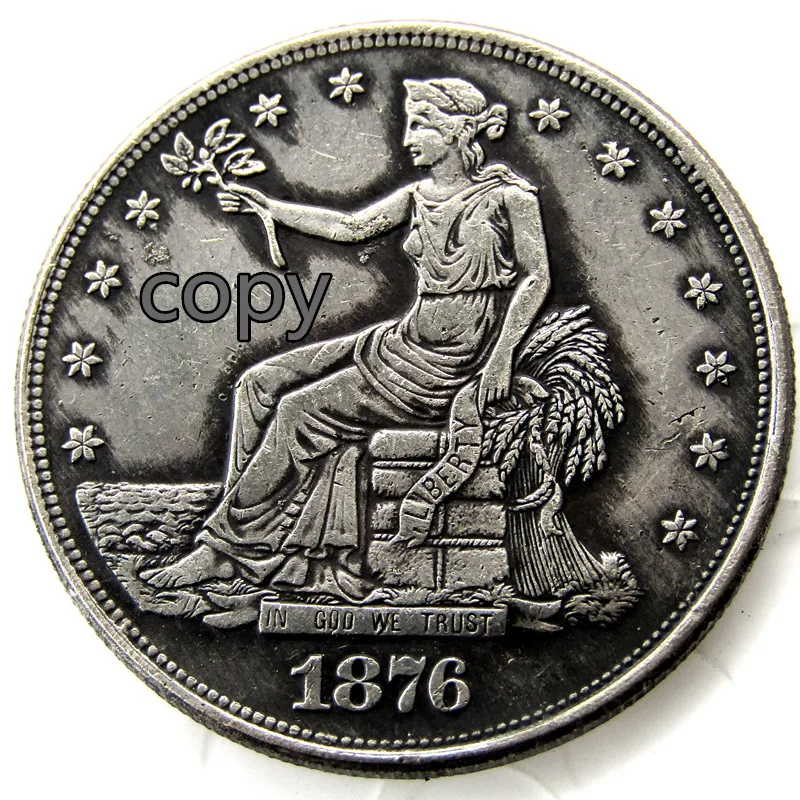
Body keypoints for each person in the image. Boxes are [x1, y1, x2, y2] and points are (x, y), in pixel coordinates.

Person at [142, 77, 551, 599]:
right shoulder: (417, 196)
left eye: (420, 125)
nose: (408, 139)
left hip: (449, 363)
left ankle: (225, 551)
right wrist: (271, 208)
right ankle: (270, 542)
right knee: (260, 382)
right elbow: (351, 228)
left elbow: (536, 278)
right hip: (400, 343)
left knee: (298, 412)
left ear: (456, 131)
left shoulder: (511, 198)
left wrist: (501, 360)